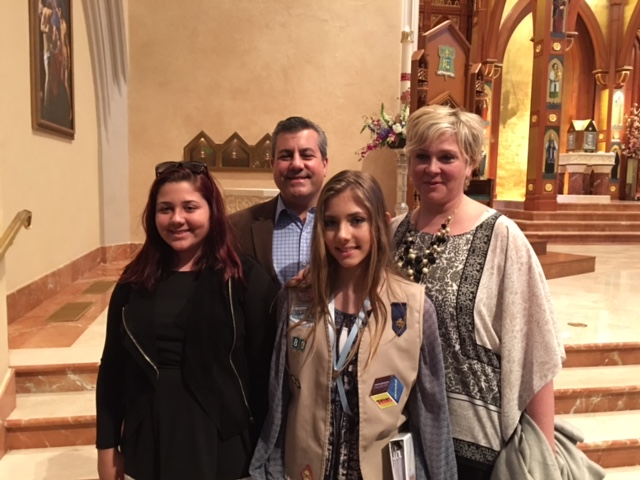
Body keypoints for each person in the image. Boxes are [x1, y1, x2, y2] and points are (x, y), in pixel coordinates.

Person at [390, 105, 565, 479]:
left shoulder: (502, 237)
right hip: (398, 427)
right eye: (422, 156)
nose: (432, 168)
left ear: (471, 164)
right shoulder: (392, 233)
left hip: (473, 443)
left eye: (447, 157)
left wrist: (542, 457)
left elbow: (536, 348)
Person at [251, 170, 457, 480]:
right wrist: (267, 468)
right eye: (331, 223)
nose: (342, 235)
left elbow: (432, 412)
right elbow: (279, 401)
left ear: (381, 222)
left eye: (357, 220)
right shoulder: (296, 300)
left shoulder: (414, 308)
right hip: (305, 468)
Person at [96, 161, 278, 480]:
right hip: (150, 434)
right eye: (165, 208)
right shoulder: (134, 281)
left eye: (189, 207)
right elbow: (112, 368)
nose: (177, 219)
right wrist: (107, 447)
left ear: (212, 211)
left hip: (221, 440)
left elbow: (265, 374)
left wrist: (265, 452)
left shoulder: (244, 279)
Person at [228, 116, 329, 286]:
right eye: (286, 156)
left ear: (324, 165)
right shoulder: (235, 226)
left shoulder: (350, 225)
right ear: (272, 165)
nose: (296, 164)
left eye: (306, 155)